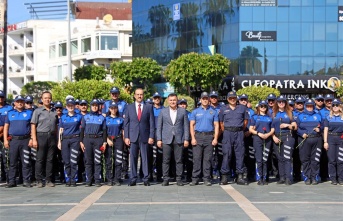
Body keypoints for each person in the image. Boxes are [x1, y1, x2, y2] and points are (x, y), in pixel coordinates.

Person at [156, 93, 189, 186]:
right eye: (171, 100)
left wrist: (186, 139)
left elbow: (186, 126)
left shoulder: (182, 111)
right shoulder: (163, 111)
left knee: (179, 160)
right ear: (167, 101)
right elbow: (159, 127)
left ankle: (179, 178)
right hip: (166, 139)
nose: (172, 102)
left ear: (177, 100)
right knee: (166, 160)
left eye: (174, 100)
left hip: (179, 138)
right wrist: (159, 139)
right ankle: (165, 179)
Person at [124, 88, 155, 186]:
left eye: (141, 94)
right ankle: (133, 178)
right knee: (133, 158)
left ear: (143, 95)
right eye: (137, 94)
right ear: (134, 95)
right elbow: (126, 123)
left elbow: (152, 123)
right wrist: (126, 137)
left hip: (145, 136)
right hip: (133, 136)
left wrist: (151, 136)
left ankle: (146, 178)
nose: (139, 96)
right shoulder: (129, 107)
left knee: (145, 157)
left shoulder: (148, 107)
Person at [219, 91, 248, 185]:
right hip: (227, 133)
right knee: (227, 154)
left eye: (234, 98)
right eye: (230, 98)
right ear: (227, 99)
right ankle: (224, 176)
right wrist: (227, 130)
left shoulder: (242, 108)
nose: (232, 99)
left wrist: (239, 129)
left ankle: (239, 176)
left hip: (239, 132)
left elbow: (245, 122)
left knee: (240, 154)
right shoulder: (223, 109)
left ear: (236, 99)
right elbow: (221, 123)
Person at [3, 95, 33, 188]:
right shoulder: (10, 113)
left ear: (24, 103)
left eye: (21, 101)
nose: (20, 103)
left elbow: (32, 127)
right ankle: (12, 181)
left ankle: (26, 180)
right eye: (18, 101)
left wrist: (32, 138)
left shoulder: (29, 113)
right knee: (12, 162)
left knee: (26, 161)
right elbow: (6, 127)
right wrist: (5, 140)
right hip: (14, 140)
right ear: (15, 103)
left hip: (25, 140)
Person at [190, 92, 219, 186]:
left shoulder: (213, 112)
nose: (205, 100)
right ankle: (195, 178)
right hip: (198, 136)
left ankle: (206, 178)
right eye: (203, 98)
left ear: (209, 99)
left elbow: (216, 125)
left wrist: (215, 138)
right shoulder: (195, 111)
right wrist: (193, 138)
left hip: (209, 137)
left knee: (207, 159)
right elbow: (191, 125)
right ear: (200, 100)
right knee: (197, 158)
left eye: (206, 98)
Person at [31, 91, 58, 188]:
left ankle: (49, 180)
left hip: (51, 137)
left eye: (49, 98)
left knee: (50, 159)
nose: (47, 99)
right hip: (41, 136)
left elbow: (57, 126)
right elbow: (33, 125)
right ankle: (39, 180)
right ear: (42, 99)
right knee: (40, 159)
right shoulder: (37, 111)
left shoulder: (54, 111)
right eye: (45, 98)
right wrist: (34, 139)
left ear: (51, 99)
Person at [80, 99, 107, 187]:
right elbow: (82, 130)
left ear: (99, 107)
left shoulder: (102, 117)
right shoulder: (85, 117)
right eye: (93, 105)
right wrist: (81, 141)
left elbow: (104, 131)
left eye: (96, 105)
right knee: (88, 161)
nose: (95, 107)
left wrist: (104, 142)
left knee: (97, 160)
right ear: (90, 106)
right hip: (87, 139)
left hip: (98, 139)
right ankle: (89, 180)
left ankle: (97, 180)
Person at [271, 96, 297, 185]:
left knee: (287, 158)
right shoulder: (273, 113)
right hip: (277, 137)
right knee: (279, 158)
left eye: (283, 102)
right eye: (279, 102)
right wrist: (273, 136)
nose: (281, 103)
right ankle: (281, 177)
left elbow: (294, 126)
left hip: (287, 137)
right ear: (277, 103)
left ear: (285, 103)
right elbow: (271, 127)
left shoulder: (290, 113)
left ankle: (288, 178)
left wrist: (287, 125)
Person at [296, 99, 322, 185]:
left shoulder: (318, 115)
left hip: (316, 139)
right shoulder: (300, 116)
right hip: (304, 139)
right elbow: (297, 128)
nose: (309, 107)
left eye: (311, 106)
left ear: (313, 106)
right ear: (305, 106)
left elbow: (324, 126)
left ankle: (314, 177)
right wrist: (301, 133)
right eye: (308, 106)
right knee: (305, 159)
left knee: (315, 159)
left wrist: (319, 129)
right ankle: (307, 177)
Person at [57, 99, 83, 187]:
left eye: (72, 105)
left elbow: (81, 129)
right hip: (65, 140)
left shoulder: (79, 116)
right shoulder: (63, 117)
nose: (70, 107)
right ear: (66, 107)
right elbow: (60, 130)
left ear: (74, 106)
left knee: (74, 160)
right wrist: (59, 142)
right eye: (69, 105)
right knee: (66, 161)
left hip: (75, 139)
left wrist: (81, 141)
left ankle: (73, 179)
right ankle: (68, 179)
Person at [249, 100, 274, 185]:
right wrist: (258, 133)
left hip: (267, 139)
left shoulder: (269, 118)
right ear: (258, 107)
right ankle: (260, 178)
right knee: (259, 159)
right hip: (257, 138)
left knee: (265, 159)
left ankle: (265, 177)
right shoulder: (254, 117)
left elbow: (272, 129)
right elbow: (251, 129)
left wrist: (268, 134)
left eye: (265, 106)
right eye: (261, 106)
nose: (263, 108)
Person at [323, 98, 343, 185]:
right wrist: (325, 142)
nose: (335, 107)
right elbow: (325, 130)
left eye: (337, 105)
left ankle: (341, 178)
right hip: (331, 138)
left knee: (340, 160)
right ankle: (333, 178)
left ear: (340, 106)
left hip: (340, 139)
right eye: (333, 105)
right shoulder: (328, 117)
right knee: (332, 160)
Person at [105, 101, 124, 186]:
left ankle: (117, 178)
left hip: (118, 139)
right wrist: (107, 140)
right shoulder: (106, 119)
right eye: (111, 108)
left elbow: (123, 131)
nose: (113, 110)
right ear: (109, 109)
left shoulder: (120, 119)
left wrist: (124, 141)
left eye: (115, 108)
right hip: (109, 139)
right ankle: (109, 178)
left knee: (118, 159)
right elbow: (104, 131)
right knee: (109, 160)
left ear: (117, 109)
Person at [239, 94, 255, 181]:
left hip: (250, 135)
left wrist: (249, 131)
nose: (243, 101)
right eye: (242, 100)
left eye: (245, 99)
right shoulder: (237, 110)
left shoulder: (252, 111)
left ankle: (251, 173)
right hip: (240, 135)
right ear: (239, 101)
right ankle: (242, 173)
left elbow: (255, 122)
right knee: (241, 155)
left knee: (251, 155)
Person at [178, 98, 192, 182]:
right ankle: (180, 175)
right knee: (179, 158)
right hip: (178, 139)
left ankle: (189, 176)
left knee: (189, 158)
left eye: (184, 104)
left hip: (188, 139)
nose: (182, 105)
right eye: (181, 104)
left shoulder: (190, 114)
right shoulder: (176, 113)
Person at [0, 90, 13, 183]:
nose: (0, 99)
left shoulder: (9, 108)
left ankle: (8, 177)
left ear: (4, 98)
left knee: (6, 158)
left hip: (5, 136)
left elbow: (7, 124)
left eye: (1, 97)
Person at [151, 92, 164, 182]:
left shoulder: (164, 109)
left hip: (161, 133)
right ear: (153, 99)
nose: (156, 99)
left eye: (158, 98)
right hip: (152, 133)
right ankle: (151, 174)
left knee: (160, 155)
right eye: (155, 98)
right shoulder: (149, 108)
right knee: (151, 155)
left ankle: (159, 175)